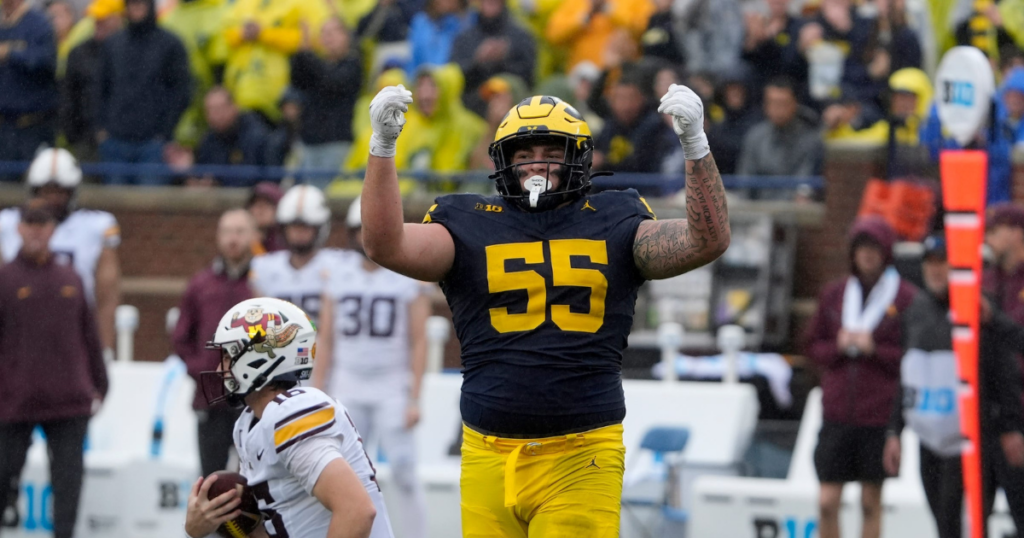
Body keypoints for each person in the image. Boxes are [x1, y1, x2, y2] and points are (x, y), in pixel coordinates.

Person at [360, 81, 730, 535]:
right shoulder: (466, 220)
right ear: (503, 161)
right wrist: (381, 148)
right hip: (486, 453)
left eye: (551, 151)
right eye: (524, 153)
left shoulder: (615, 216)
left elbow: (705, 240)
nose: (538, 163)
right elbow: (384, 244)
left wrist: (696, 146)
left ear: (578, 156)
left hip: (581, 453)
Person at [183, 297, 394, 538]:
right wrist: (201, 528)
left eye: (229, 356)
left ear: (262, 356)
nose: (221, 369)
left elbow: (356, 511)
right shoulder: (248, 425)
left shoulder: (292, 414)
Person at [884, 233, 1024, 538]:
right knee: (940, 517)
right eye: (930, 263)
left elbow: (1003, 370)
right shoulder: (916, 311)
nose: (936, 270)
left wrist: (1010, 425)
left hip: (969, 437)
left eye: (943, 263)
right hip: (929, 435)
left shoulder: (978, 306)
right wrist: (895, 430)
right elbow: (907, 376)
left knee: (962, 520)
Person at [315, 196, 430, 538]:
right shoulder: (337, 272)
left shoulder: (406, 271)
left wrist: (414, 397)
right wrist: (318, 390)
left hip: (391, 383)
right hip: (347, 382)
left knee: (406, 470)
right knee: (348, 472)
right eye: (359, 230)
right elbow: (327, 337)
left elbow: (419, 339)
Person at [0, 198, 108, 538]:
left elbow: (89, 333)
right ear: (19, 228)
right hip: (14, 399)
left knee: (68, 482)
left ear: (53, 230)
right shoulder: (5, 279)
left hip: (68, 399)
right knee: (2, 475)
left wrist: (100, 382)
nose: (36, 231)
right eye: (30, 223)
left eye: (42, 223)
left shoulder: (70, 277)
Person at [804, 216, 917, 538]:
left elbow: (911, 358)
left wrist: (875, 349)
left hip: (878, 414)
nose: (867, 255)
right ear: (852, 253)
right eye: (861, 248)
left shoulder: (905, 298)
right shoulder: (835, 294)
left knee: (871, 501)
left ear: (886, 253)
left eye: (874, 248)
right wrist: (838, 347)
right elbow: (812, 347)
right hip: (837, 412)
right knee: (827, 500)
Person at [0, 148, 122, 358]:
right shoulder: (7, 223)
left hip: (74, 330)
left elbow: (107, 295)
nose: (52, 199)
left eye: (59, 192)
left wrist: (105, 349)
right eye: (46, 191)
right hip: (21, 331)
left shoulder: (96, 226)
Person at [173, 209, 257, 478]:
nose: (234, 239)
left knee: (257, 479)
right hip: (212, 399)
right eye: (227, 232)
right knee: (212, 480)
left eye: (240, 231)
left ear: (253, 236)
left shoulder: (265, 282)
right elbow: (181, 337)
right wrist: (201, 370)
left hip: (255, 399)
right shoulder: (201, 284)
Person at [96, 0, 191, 185]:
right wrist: (101, 129)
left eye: (141, 4)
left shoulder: (170, 44)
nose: (137, 9)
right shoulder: (113, 44)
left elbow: (182, 90)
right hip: (115, 139)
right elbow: (100, 88)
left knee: (150, 204)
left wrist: (165, 131)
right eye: (132, 5)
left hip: (153, 142)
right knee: (115, 203)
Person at [250, 184, 352, 324]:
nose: (298, 233)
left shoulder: (339, 264)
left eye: (305, 226)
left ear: (319, 228)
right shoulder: (264, 266)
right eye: (293, 226)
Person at [0, 0, 58, 181]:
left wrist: (12, 53)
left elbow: (46, 61)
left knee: (36, 185)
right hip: (4, 126)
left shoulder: (38, 23)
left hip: (33, 124)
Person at [61, 0, 124, 163]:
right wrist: (72, 133)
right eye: (96, 18)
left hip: (122, 140)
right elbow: (68, 95)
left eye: (104, 18)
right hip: (85, 137)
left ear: (119, 18)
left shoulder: (131, 51)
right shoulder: (79, 52)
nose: (98, 23)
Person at [191, 87, 271, 187]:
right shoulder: (207, 141)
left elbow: (254, 178)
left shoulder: (255, 136)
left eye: (219, 108)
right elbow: (200, 174)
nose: (216, 115)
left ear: (234, 107)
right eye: (210, 110)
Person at [246, 182, 286, 255]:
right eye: (255, 205)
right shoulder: (241, 238)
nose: (258, 211)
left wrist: (255, 246)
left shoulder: (287, 240)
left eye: (265, 206)